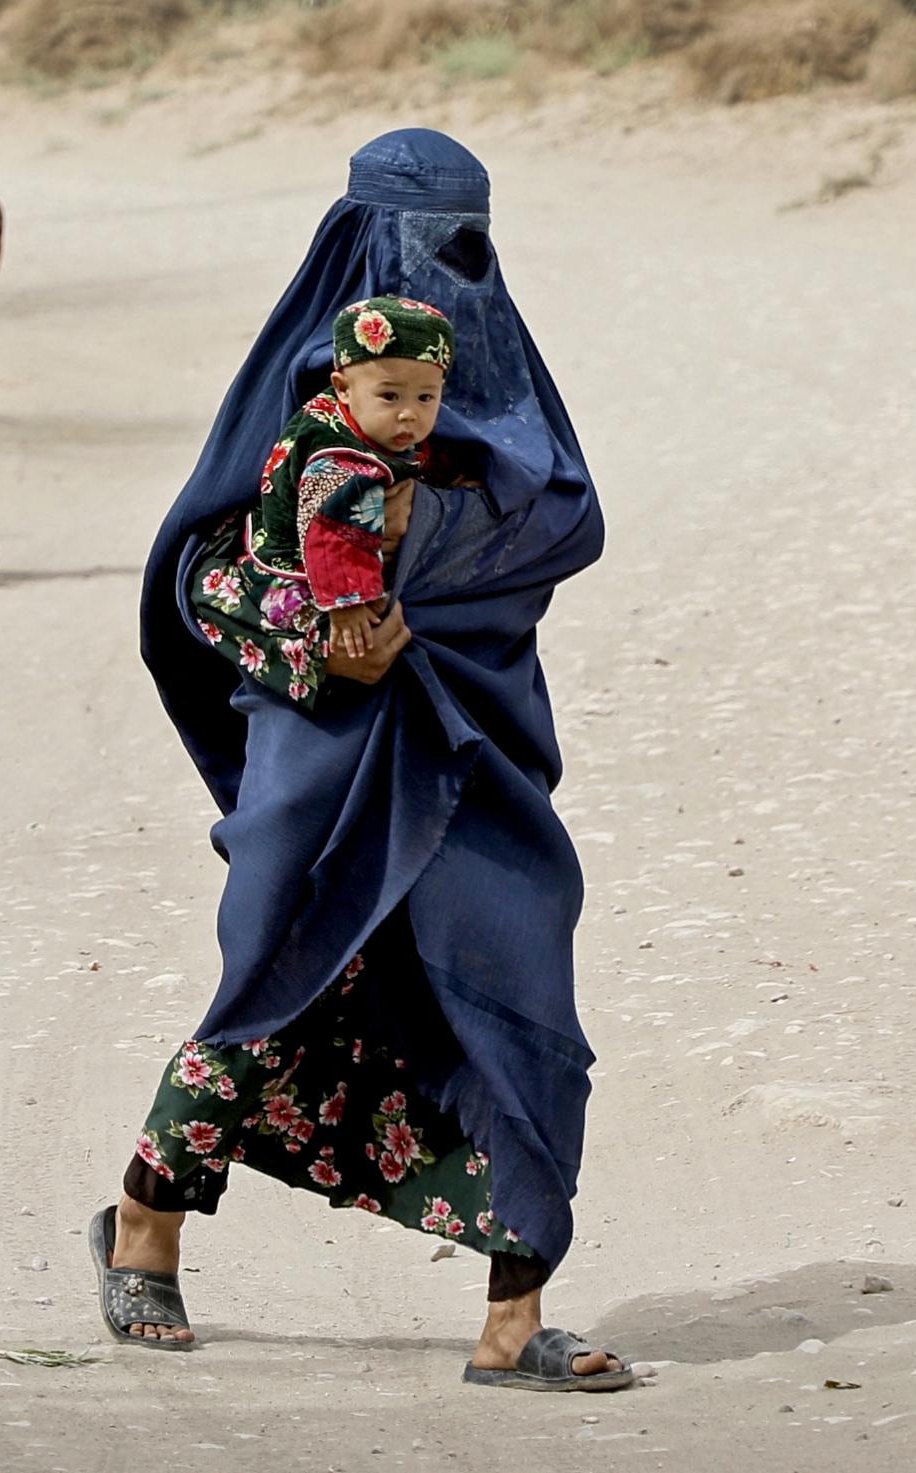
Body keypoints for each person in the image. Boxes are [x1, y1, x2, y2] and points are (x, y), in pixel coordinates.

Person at [90, 128, 630, 1392]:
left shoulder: (505, 404)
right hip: (324, 765)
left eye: (470, 250)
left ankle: (514, 1323)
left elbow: (558, 529)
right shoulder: (303, 396)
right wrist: (323, 635)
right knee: (277, 985)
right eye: (423, 246)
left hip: (476, 759)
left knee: (521, 1002)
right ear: (356, 244)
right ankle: (146, 1224)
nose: (448, 278)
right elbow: (201, 574)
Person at [186, 295, 458, 707]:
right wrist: (347, 605)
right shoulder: (344, 465)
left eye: (426, 398)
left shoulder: (345, 418)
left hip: (299, 548)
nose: (408, 416)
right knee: (307, 631)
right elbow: (331, 534)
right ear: (342, 388)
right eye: (390, 397)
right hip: (297, 573)